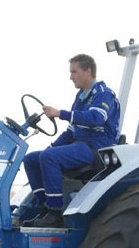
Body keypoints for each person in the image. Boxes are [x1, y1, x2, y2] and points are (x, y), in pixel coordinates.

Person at [22, 54, 120, 228]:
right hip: (80, 145)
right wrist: (51, 148)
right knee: (31, 159)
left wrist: (60, 113)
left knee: (49, 157)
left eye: (74, 72)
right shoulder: (81, 96)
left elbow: (96, 118)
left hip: (96, 147)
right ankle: (44, 207)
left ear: (88, 71)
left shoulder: (104, 94)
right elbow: (71, 132)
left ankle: (55, 213)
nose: (70, 77)